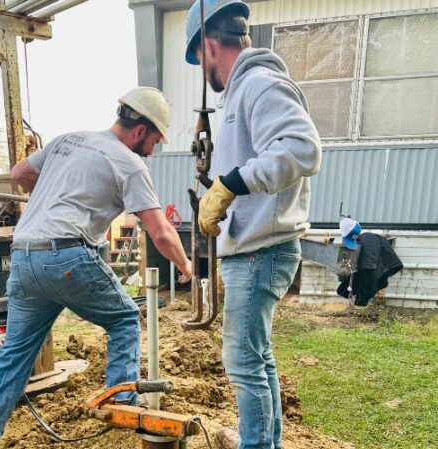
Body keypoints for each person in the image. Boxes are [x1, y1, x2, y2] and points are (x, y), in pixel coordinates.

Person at [0, 86, 192, 449]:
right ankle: (120, 405)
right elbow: (160, 230)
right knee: (124, 318)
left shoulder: (69, 140)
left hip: (23, 257)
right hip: (68, 257)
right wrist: (186, 264)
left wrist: (58, 191)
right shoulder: (130, 164)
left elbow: (20, 172)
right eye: (155, 141)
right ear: (140, 130)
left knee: (11, 358)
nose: (152, 150)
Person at [184, 1, 322, 448]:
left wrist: (230, 184)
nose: (204, 70)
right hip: (258, 248)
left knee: (243, 361)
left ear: (209, 45)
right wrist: (222, 180)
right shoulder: (244, 93)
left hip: (260, 251)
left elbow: (302, 150)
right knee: (256, 360)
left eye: (200, 60)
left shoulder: (258, 84)